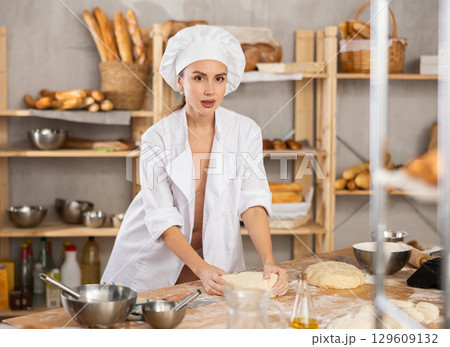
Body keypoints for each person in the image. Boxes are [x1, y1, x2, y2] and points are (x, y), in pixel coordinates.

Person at [101, 25, 288, 297]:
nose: (210, 90)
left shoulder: (246, 131)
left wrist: (269, 262)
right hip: (155, 261)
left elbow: (253, 201)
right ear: (180, 82)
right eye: (199, 78)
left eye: (219, 79)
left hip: (213, 260)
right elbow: (162, 218)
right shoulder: (157, 138)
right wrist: (201, 268)